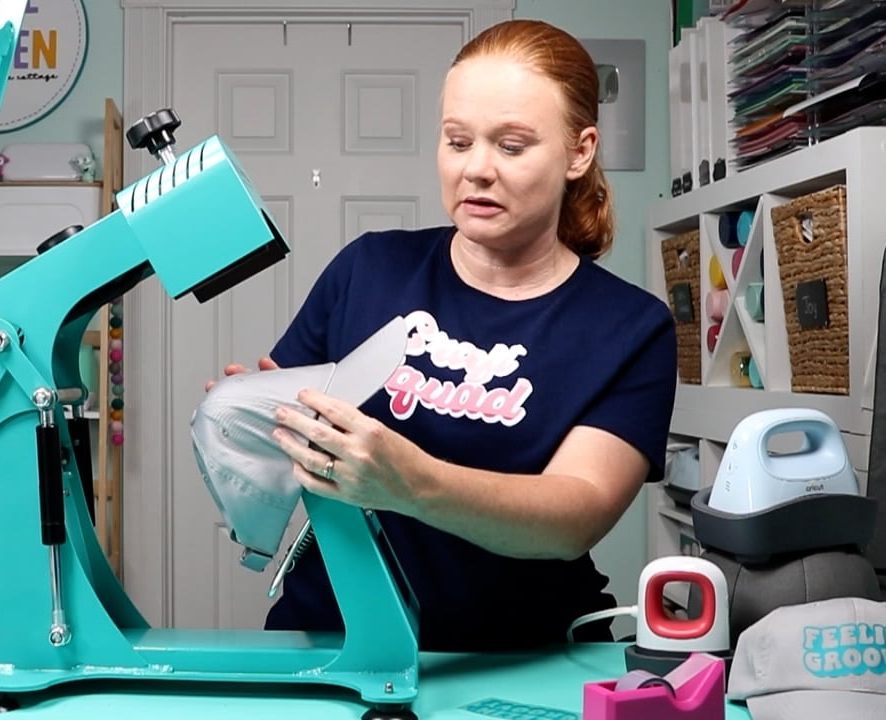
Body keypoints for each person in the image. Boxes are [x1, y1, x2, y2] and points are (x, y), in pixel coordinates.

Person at [208, 19, 677, 652]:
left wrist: (413, 481)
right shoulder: (368, 268)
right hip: (337, 641)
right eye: (458, 141)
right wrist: (256, 420)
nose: (476, 169)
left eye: (511, 146)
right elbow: (291, 420)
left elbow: (576, 514)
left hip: (520, 656)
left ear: (579, 151)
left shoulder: (630, 327)